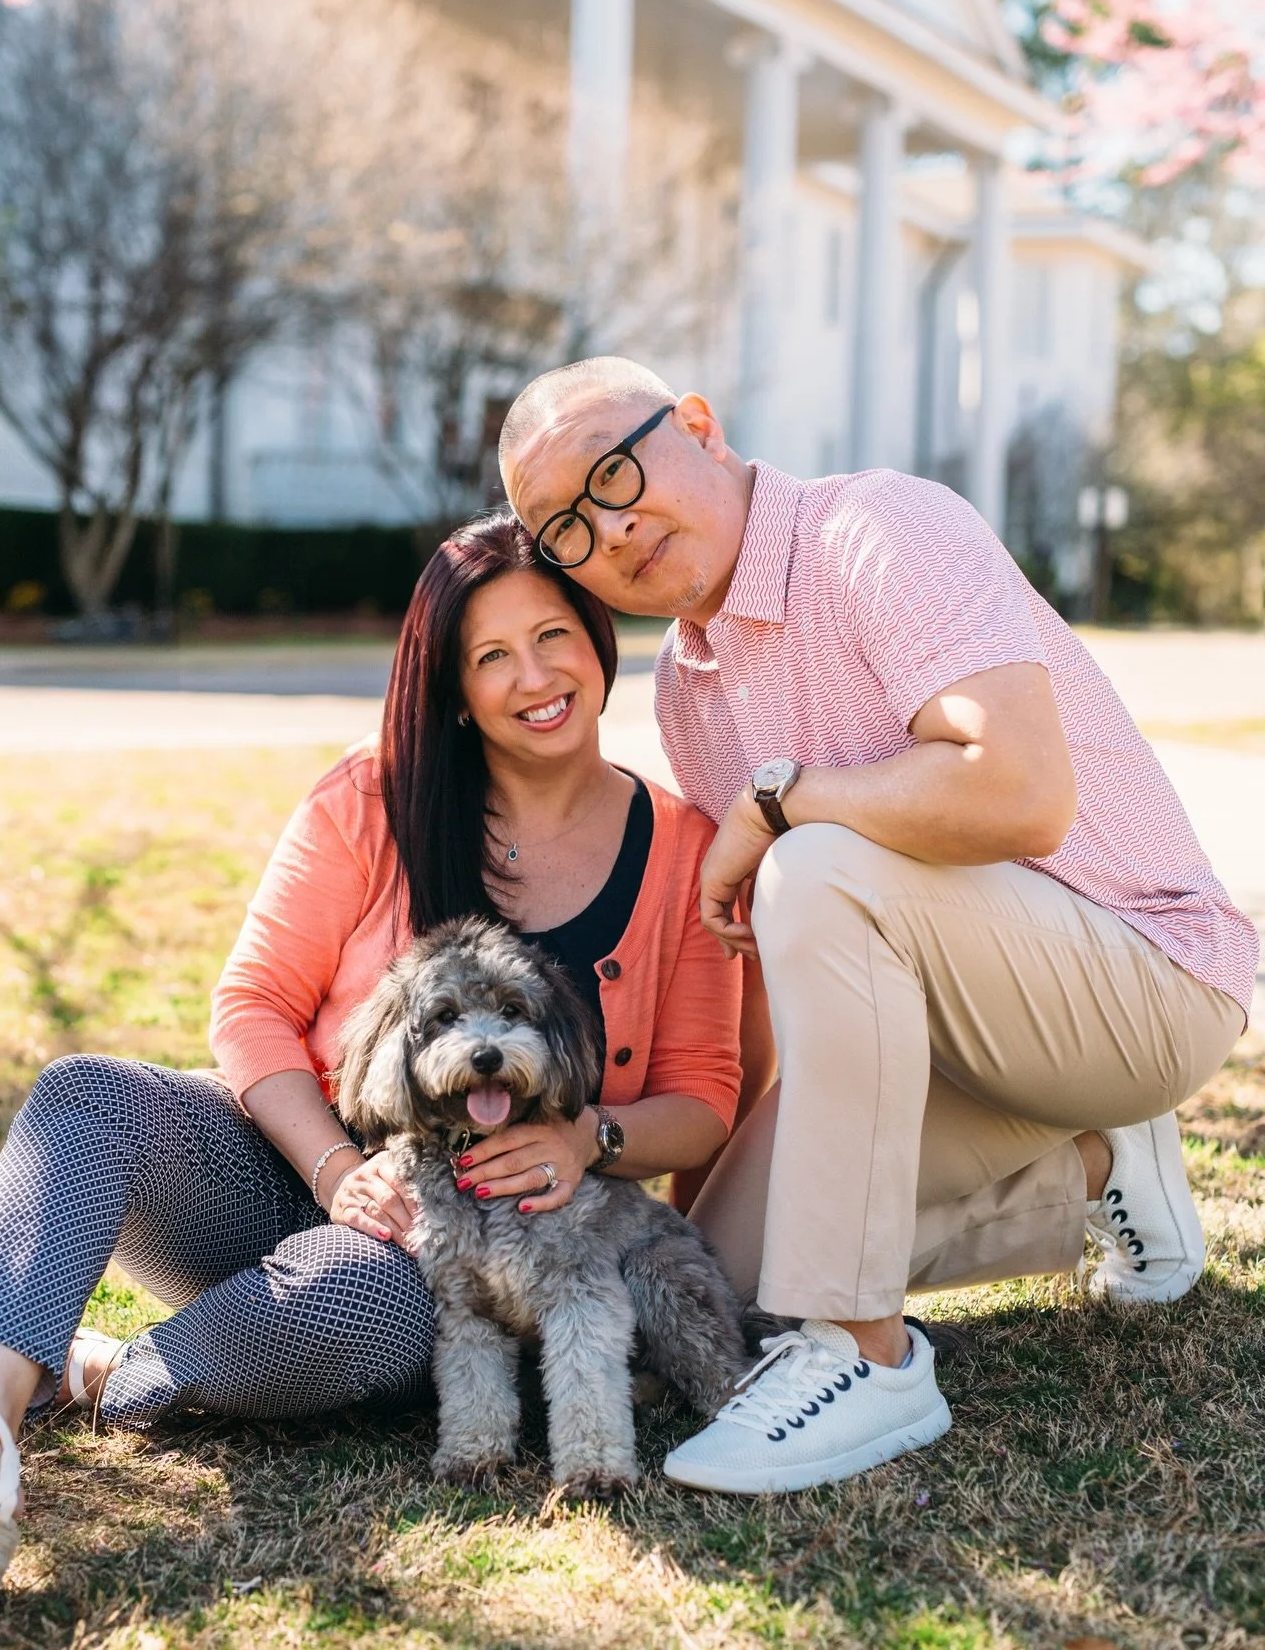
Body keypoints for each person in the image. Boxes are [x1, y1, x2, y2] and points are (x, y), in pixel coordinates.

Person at [0, 513, 741, 1612]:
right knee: (84, 1097)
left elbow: (704, 1097)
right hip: (279, 1161)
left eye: (554, 636)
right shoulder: (370, 794)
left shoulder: (682, 845)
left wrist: (587, 1139)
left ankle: (107, 1375)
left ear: (601, 642)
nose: (533, 676)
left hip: (443, 1247)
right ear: (452, 686)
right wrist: (328, 1171)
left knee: (349, 1305)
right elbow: (251, 1007)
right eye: (490, 655)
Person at [499, 355, 1256, 1497]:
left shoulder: (876, 529)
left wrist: (779, 799)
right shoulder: (687, 688)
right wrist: (704, 1224)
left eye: (615, 473)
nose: (609, 529)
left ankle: (868, 1359)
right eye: (565, 527)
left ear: (697, 426)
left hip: (1141, 980)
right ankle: (1106, 1162)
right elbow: (759, 975)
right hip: (957, 1046)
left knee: (818, 862)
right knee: (713, 1290)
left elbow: (1020, 793)